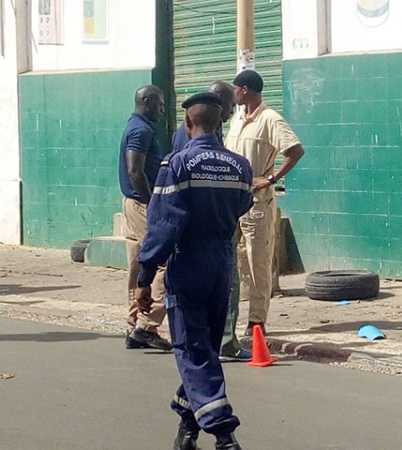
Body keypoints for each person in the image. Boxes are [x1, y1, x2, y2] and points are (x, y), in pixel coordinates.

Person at [134, 92, 251, 450]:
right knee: (205, 350)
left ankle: (223, 431)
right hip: (222, 265)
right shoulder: (240, 166)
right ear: (220, 123)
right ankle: (187, 428)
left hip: (188, 263)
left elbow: (164, 224)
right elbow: (242, 206)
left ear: (188, 123)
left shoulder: (177, 164)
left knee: (192, 351)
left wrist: (144, 276)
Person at [172, 81, 251, 361]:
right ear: (218, 108)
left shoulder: (183, 134)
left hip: (186, 237)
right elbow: (243, 197)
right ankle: (225, 341)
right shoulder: (215, 144)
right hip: (213, 234)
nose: (232, 112)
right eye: (230, 106)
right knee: (226, 285)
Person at [225, 70, 305, 336]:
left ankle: (256, 322)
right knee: (230, 261)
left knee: (258, 263)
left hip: (257, 204)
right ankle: (228, 318)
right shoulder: (237, 118)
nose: (234, 93)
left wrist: (270, 178)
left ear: (245, 90)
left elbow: (294, 151)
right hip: (231, 203)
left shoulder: (271, 119)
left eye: (236, 88)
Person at [118, 85, 171, 351]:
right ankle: (146, 325)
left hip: (132, 203)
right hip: (141, 204)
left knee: (138, 263)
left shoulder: (135, 125)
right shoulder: (141, 130)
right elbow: (135, 170)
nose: (163, 109)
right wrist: (153, 203)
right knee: (159, 263)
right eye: (160, 104)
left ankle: (135, 320)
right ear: (148, 102)